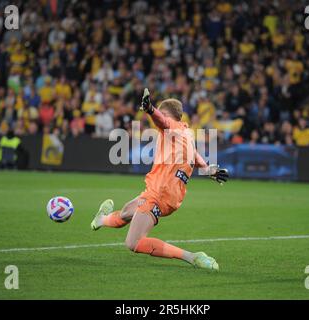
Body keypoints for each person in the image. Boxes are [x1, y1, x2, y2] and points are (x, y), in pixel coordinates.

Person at [90, 89, 229, 270]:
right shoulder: (186, 133)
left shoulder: (171, 126)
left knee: (133, 243)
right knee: (126, 212)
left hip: (159, 194)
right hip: (168, 195)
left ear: (166, 114)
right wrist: (209, 170)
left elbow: (162, 121)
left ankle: (192, 257)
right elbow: (194, 156)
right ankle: (101, 219)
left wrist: (150, 109)